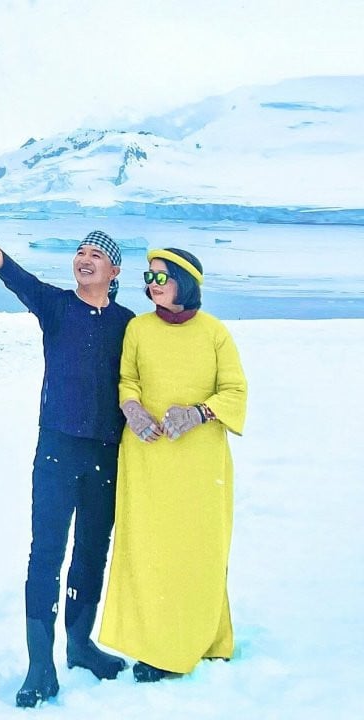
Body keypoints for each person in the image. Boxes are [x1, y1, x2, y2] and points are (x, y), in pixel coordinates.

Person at [0, 200, 134, 707]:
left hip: (106, 453)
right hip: (56, 450)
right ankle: (40, 665)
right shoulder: (56, 306)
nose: (84, 257)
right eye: (80, 250)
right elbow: (16, 278)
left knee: (93, 551)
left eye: (96, 253)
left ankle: (80, 646)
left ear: (113, 270)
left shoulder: (128, 324)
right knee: (46, 555)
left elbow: (149, 375)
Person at [99, 248, 248, 682]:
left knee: (199, 550)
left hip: (201, 464)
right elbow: (128, 378)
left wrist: (199, 413)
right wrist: (133, 409)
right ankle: (157, 648)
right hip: (148, 458)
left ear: (185, 282)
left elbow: (235, 391)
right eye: (148, 277)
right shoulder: (137, 329)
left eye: (161, 278)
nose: (152, 284)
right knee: (151, 551)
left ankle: (205, 639)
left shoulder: (215, 333)